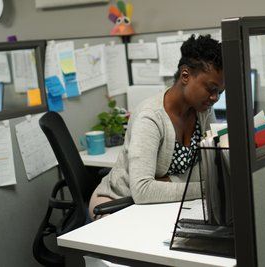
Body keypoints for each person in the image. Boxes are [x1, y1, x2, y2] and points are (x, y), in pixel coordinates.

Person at [89, 34, 224, 219]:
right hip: (116, 202)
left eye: (220, 92)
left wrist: (169, 182)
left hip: (159, 203)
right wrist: (205, 187)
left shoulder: (203, 111)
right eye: (211, 89)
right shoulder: (151, 117)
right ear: (185, 76)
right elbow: (143, 190)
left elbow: (211, 169)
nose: (215, 97)